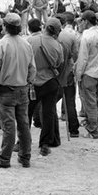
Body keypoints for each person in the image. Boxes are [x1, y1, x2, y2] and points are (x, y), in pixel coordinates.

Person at [0, 13, 36, 169]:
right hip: (23, 88)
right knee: (24, 124)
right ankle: (25, 157)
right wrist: (27, 81)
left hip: (5, 89)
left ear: (4, 27)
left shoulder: (0, 45)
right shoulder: (26, 44)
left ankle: (4, 158)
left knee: (8, 126)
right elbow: (32, 69)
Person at [27, 18, 64, 156]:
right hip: (49, 82)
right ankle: (45, 143)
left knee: (27, 113)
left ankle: (23, 141)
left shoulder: (30, 41)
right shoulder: (57, 45)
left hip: (32, 82)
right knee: (48, 113)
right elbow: (59, 63)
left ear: (45, 27)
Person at [75, 10, 98, 139]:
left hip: (89, 73)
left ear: (85, 21)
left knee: (90, 103)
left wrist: (78, 75)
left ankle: (93, 129)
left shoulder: (86, 36)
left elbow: (83, 58)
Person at [55, 12, 80, 138]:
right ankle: (74, 129)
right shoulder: (70, 36)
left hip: (53, 73)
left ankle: (46, 125)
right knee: (70, 101)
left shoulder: (47, 37)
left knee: (49, 101)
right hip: (68, 71)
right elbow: (76, 54)